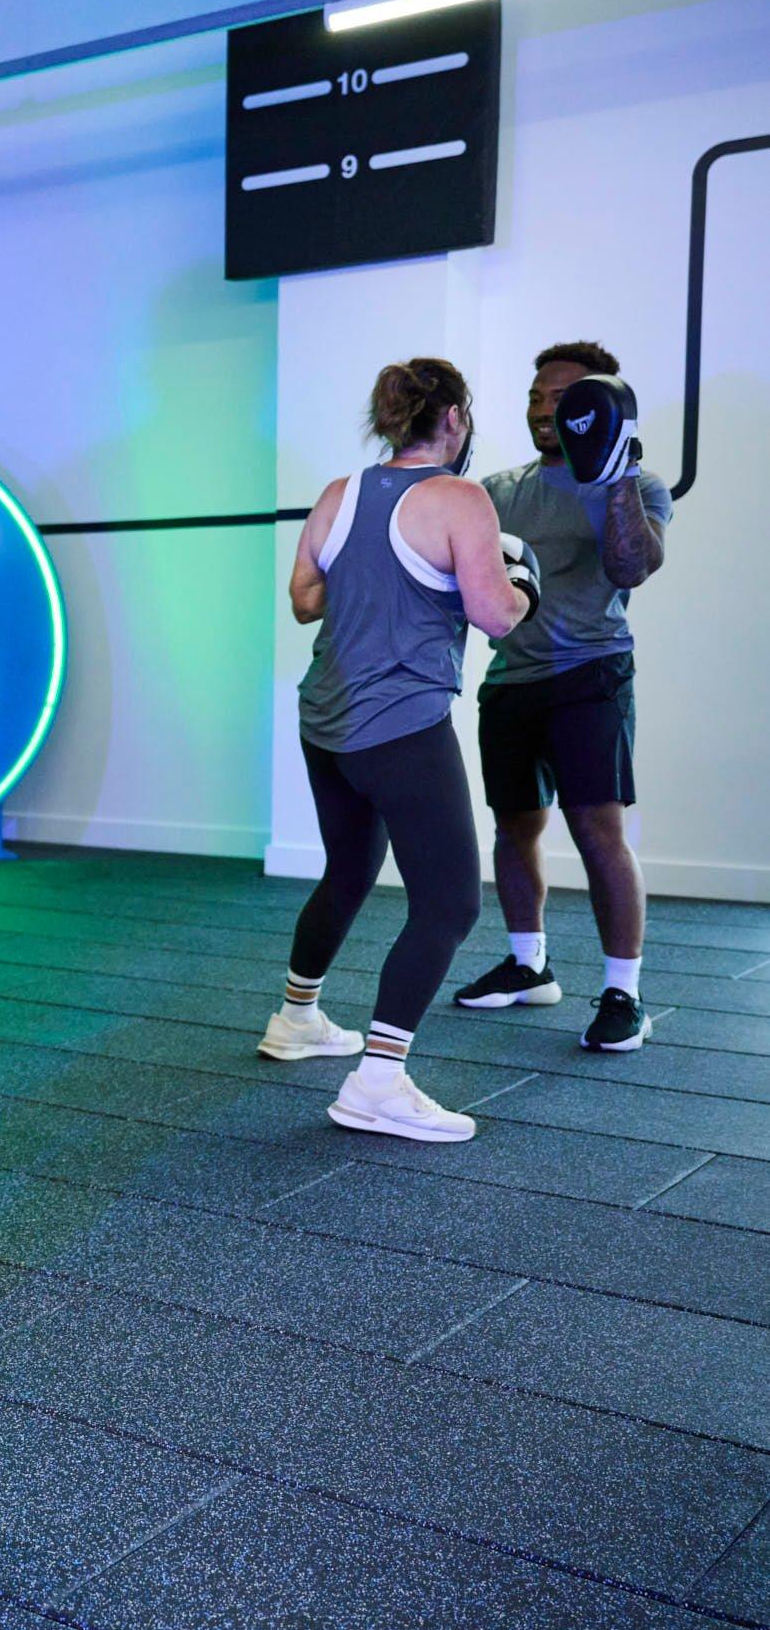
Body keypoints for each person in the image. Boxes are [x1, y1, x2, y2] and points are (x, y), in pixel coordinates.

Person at [266, 358, 537, 1144]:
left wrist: (373, 578)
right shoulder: (460, 498)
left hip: (326, 722)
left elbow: (305, 599)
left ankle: (296, 1017)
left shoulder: (338, 494)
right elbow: (496, 615)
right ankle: (378, 1081)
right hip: (401, 726)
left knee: (350, 870)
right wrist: (525, 581)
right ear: (452, 418)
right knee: (449, 903)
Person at [452, 342, 670, 1051]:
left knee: (597, 832)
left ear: (598, 407)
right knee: (513, 827)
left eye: (563, 399)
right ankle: (529, 965)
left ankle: (624, 993)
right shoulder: (496, 491)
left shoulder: (639, 486)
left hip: (590, 675)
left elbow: (631, 568)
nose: (544, 409)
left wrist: (615, 474)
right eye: (536, 396)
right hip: (512, 679)